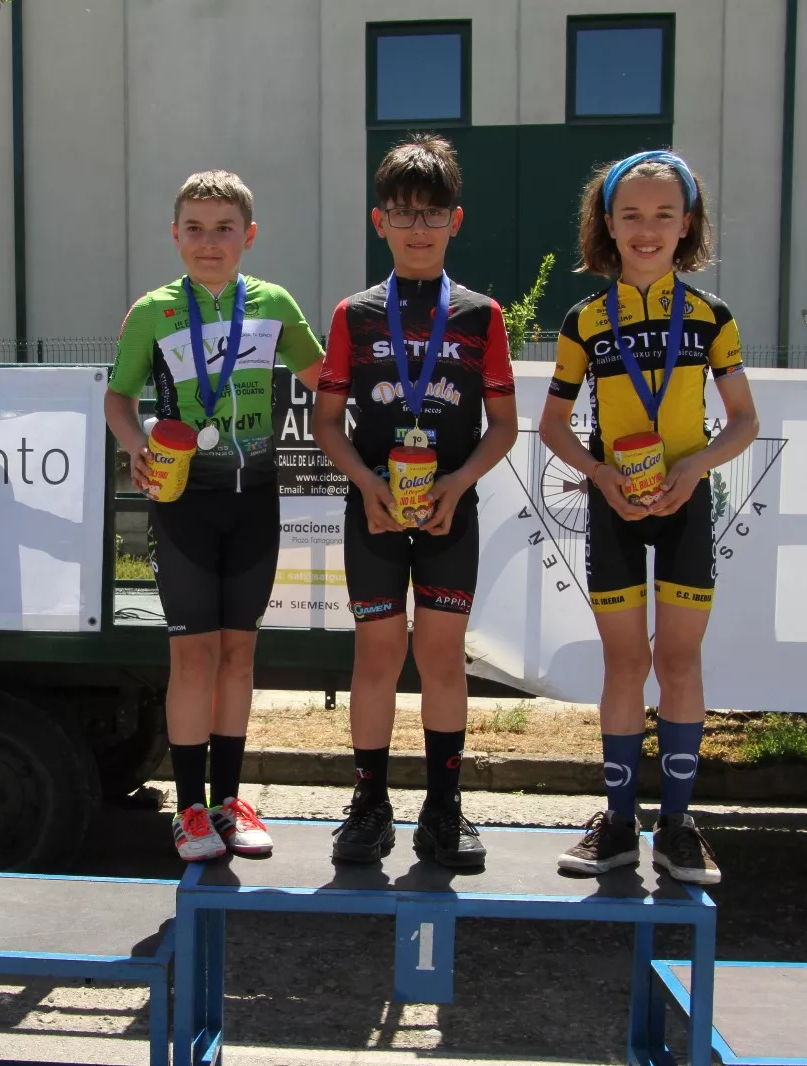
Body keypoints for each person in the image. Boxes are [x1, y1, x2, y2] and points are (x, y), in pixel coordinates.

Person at [542, 150, 758, 885]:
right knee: (626, 663)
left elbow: (743, 422)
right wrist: (599, 474)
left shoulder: (709, 316)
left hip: (685, 505)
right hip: (615, 508)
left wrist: (696, 466)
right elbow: (553, 427)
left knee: (680, 662)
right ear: (607, 224)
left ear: (687, 223)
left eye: (664, 214)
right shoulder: (586, 320)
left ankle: (678, 824)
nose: (647, 229)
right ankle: (619, 821)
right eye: (631, 214)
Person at [105, 171, 324, 862]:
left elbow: (327, 379)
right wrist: (136, 446)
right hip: (183, 502)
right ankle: (191, 809)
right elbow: (118, 399)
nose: (209, 242)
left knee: (239, 654)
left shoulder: (274, 303)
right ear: (175, 235)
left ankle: (230, 802)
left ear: (248, 236)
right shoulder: (152, 312)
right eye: (194, 228)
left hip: (257, 497)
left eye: (223, 228)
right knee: (190, 656)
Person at [312, 135, 518, 868]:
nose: (419, 227)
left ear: (455, 221)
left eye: (433, 213)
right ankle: (369, 804)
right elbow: (327, 423)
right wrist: (365, 485)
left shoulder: (481, 316)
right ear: (380, 222)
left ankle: (445, 806)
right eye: (404, 213)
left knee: (441, 659)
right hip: (371, 510)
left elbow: (505, 429)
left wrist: (458, 486)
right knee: (376, 656)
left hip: (448, 513)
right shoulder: (354, 315)